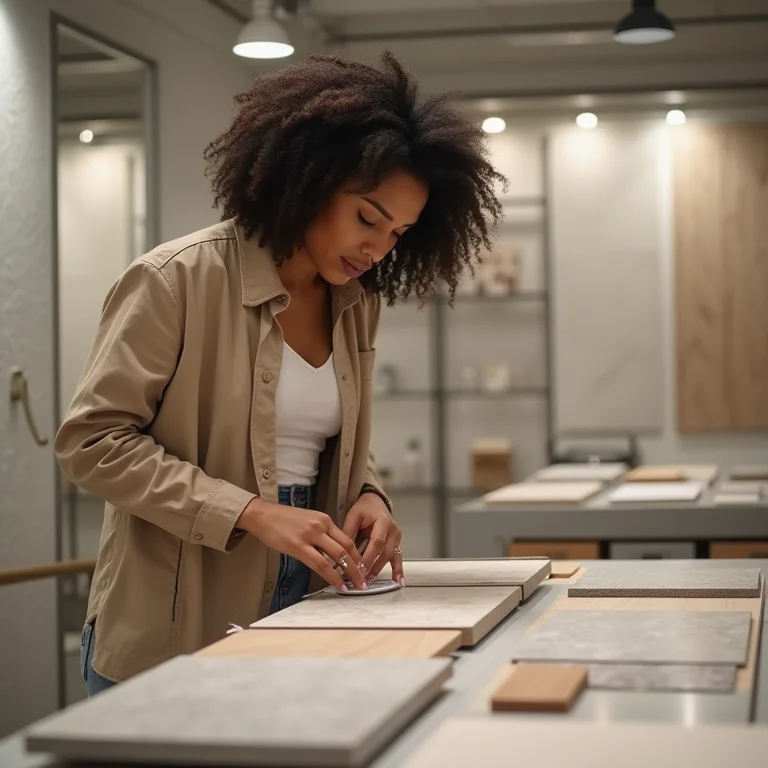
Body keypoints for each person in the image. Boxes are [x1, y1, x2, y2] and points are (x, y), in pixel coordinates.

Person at [55, 50, 505, 697]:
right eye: (367, 218)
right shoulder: (175, 279)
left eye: (400, 232)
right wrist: (251, 513)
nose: (378, 248)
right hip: (177, 617)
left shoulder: (358, 303)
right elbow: (91, 444)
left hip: (311, 593)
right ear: (309, 178)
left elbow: (325, 431)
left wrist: (370, 494)